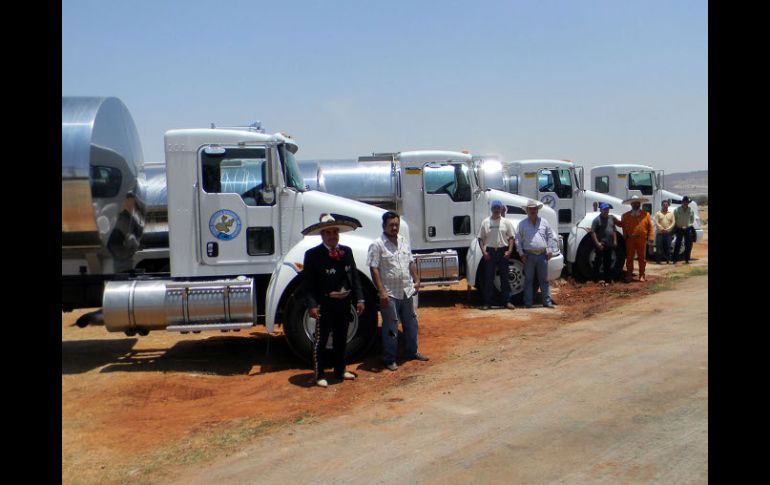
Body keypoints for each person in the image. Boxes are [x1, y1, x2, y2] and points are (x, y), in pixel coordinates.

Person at [301, 214, 365, 388]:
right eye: (328, 233)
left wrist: (360, 299)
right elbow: (308, 284)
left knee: (341, 338)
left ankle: (340, 370)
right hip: (324, 304)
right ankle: (319, 373)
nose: (332, 236)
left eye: (335, 232)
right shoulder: (313, 255)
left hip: (344, 303)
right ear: (322, 235)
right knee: (321, 340)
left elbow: (354, 277)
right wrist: (312, 305)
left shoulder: (347, 251)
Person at [368, 211, 429, 371]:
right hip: (390, 293)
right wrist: (381, 292)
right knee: (391, 327)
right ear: (384, 226)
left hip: (406, 290)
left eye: (396, 224)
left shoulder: (403, 241)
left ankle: (412, 351)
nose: (394, 227)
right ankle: (390, 359)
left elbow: (410, 262)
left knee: (411, 323)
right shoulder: (377, 245)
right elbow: (373, 269)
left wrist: (416, 280)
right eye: (391, 225)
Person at [515, 199, 557, 308]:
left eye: (534, 208)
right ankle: (528, 303)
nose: (533, 210)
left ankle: (547, 302)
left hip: (543, 255)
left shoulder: (544, 222)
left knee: (544, 280)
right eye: (530, 209)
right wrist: (521, 254)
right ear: (527, 210)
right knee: (528, 280)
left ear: (537, 210)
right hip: (528, 256)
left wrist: (550, 249)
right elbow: (518, 240)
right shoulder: (522, 224)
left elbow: (550, 236)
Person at [477, 200, 516, 310]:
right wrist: (484, 252)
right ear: (491, 209)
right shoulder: (485, 222)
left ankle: (507, 302)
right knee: (489, 279)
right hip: (490, 253)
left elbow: (511, 237)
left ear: (501, 209)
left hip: (502, 252)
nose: (496, 210)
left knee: (505, 278)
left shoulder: (506, 222)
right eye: (494, 208)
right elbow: (480, 238)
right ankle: (487, 303)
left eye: (498, 208)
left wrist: (509, 251)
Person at [614, 195, 654, 282]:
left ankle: (642, 275)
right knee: (629, 258)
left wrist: (651, 237)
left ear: (640, 204)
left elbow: (650, 227)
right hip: (630, 239)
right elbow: (622, 224)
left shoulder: (646, 215)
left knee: (642, 258)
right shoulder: (625, 216)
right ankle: (629, 275)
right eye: (634, 203)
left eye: (637, 203)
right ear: (631, 204)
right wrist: (614, 220)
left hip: (642, 240)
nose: (636, 204)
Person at [589, 202, 618, 284]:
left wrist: (615, 240)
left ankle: (608, 279)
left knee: (608, 262)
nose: (606, 211)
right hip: (601, 244)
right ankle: (595, 279)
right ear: (601, 210)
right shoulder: (597, 220)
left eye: (607, 209)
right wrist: (597, 243)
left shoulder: (611, 219)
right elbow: (593, 232)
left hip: (609, 244)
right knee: (598, 262)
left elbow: (614, 230)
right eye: (604, 209)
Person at [672, 196, 696, 264]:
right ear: (682, 202)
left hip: (687, 229)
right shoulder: (677, 210)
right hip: (679, 228)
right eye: (685, 202)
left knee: (688, 244)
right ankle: (675, 259)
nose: (686, 203)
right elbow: (674, 218)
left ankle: (687, 259)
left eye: (687, 202)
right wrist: (677, 225)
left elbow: (692, 219)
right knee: (677, 244)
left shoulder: (690, 210)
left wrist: (689, 225)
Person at [654, 200, 675, 264]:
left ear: (668, 205)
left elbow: (673, 222)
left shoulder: (671, 214)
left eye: (666, 205)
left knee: (668, 247)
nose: (665, 206)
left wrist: (668, 229)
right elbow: (657, 222)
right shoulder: (658, 213)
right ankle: (658, 261)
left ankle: (668, 260)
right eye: (664, 205)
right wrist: (662, 229)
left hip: (668, 234)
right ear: (662, 205)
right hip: (660, 233)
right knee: (659, 248)